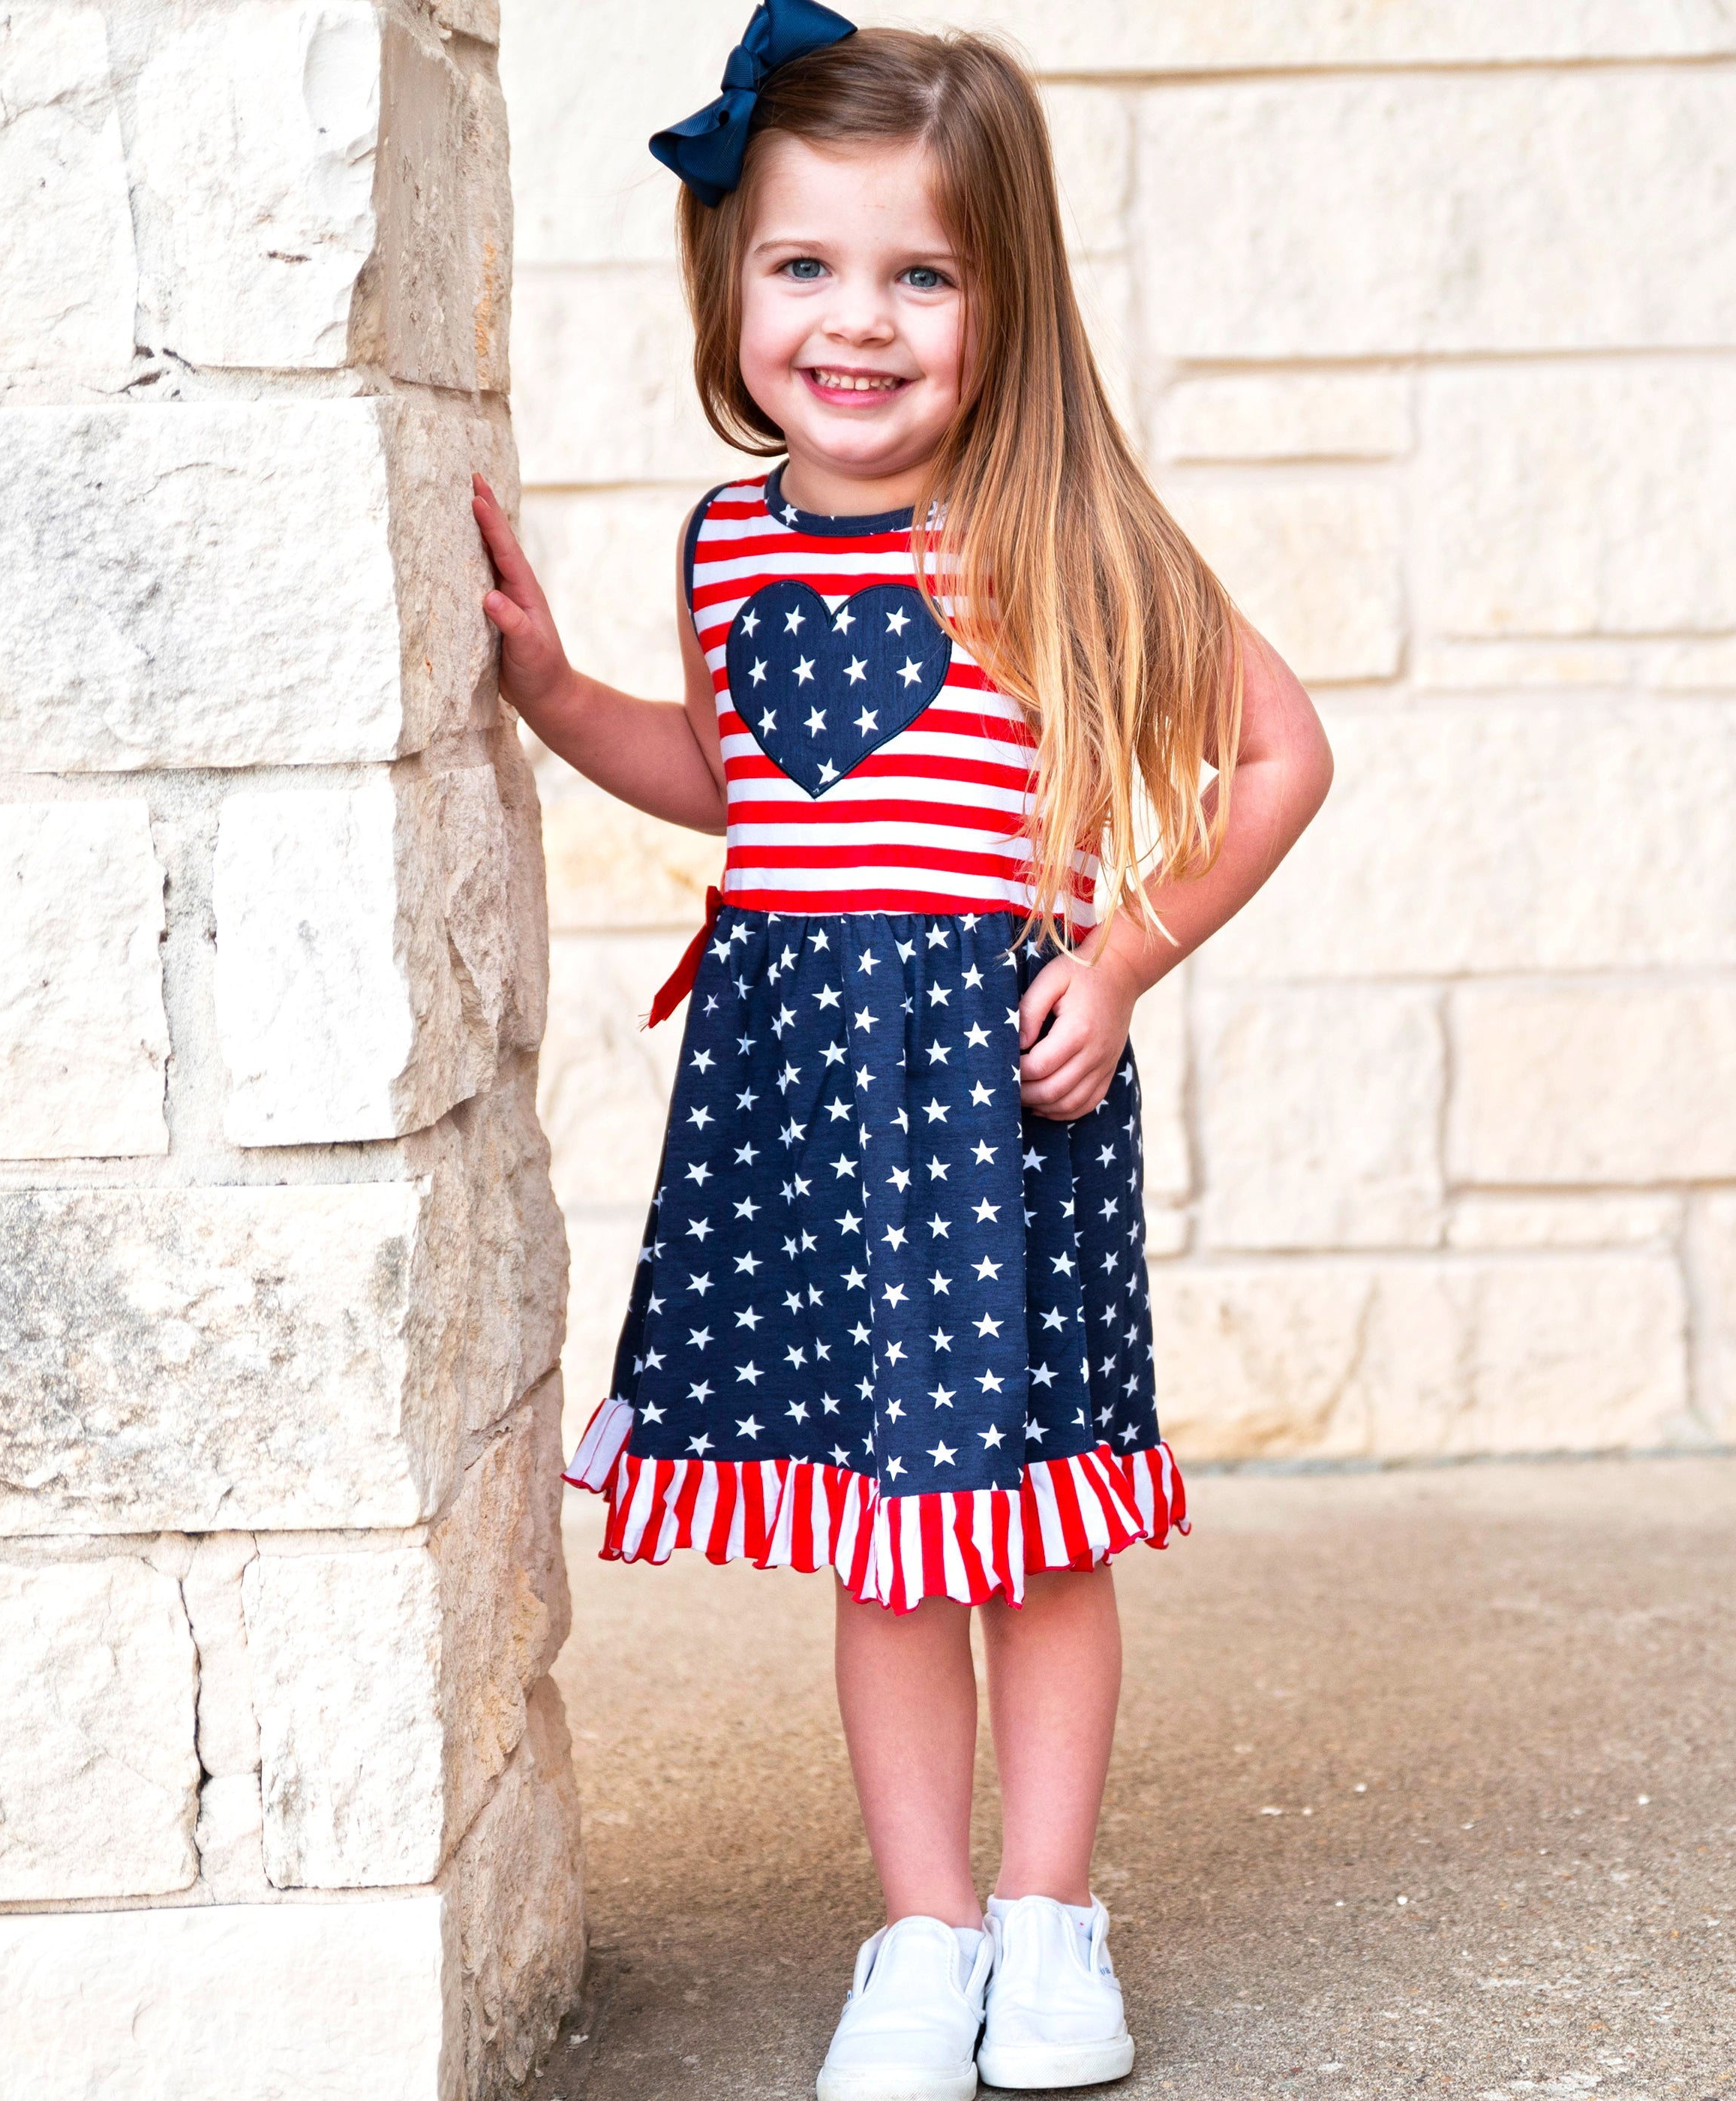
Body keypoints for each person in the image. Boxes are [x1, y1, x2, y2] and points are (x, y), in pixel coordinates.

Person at [471, 6, 1331, 2093]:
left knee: (1027, 1531)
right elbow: (748, 782)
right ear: (731, 280)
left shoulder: (1060, 529)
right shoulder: (727, 539)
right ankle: (922, 1930)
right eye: (804, 264)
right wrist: (561, 698)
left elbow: (1276, 754)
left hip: (990, 1105)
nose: (855, 320)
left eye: (920, 274)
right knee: (884, 1534)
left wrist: (1120, 959)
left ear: (1003, 300)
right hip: (803, 1110)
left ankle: (1046, 1920)